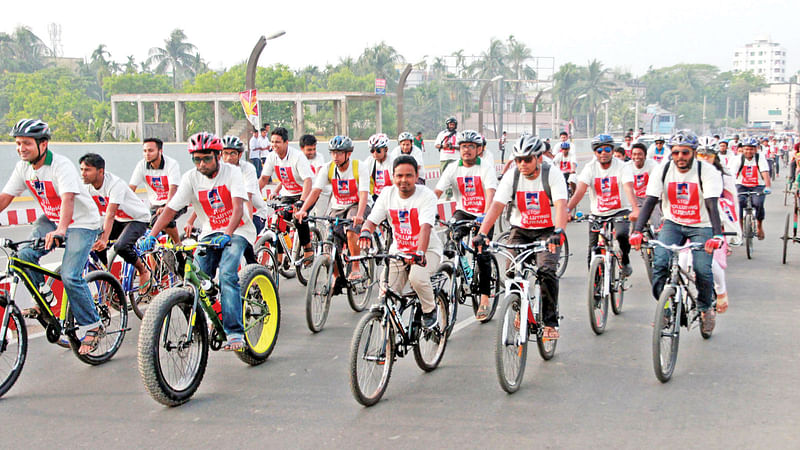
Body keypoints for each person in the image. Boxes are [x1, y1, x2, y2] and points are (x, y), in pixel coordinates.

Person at [139, 132, 255, 351]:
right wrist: (151, 235)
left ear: (218, 156)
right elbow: (171, 209)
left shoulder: (233, 173)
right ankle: (210, 319)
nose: (201, 164)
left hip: (238, 230)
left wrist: (228, 233)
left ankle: (235, 332)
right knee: (198, 279)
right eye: (196, 159)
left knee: (228, 273)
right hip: (211, 232)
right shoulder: (190, 178)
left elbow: (238, 208)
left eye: (206, 159)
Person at [0, 119, 103, 355]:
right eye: (17, 144)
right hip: (52, 219)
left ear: (43, 144)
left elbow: (67, 199)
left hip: (81, 223)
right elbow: (6, 197)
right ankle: (45, 298)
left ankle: (92, 325)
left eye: (26, 143)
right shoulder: (23, 168)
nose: (21, 148)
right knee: (23, 256)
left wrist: (61, 230)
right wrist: (56, 226)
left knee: (70, 274)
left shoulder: (61, 165)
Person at [630, 130, 725, 334]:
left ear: (693, 152)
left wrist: (717, 235)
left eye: (685, 152)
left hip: (702, 225)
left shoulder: (707, 172)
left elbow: (711, 205)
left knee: (702, 269)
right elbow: (650, 202)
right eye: (676, 153)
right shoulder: (662, 170)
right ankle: (665, 308)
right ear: (671, 153)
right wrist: (637, 231)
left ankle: (705, 308)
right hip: (673, 223)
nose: (680, 157)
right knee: (660, 265)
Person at [475, 134, 567, 340]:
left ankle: (551, 322)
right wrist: (482, 233)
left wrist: (558, 233)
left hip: (548, 230)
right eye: (518, 160)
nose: (522, 164)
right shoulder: (512, 176)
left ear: (538, 158)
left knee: (546, 271)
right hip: (521, 230)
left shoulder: (552, 174)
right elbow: (496, 206)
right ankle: (519, 310)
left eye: (527, 159)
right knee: (511, 271)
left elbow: (561, 205)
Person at [358, 156, 443, 327]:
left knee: (417, 278)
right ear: (392, 176)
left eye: (408, 175)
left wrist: (419, 253)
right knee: (385, 292)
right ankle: (388, 346)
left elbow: (425, 227)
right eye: (399, 176)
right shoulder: (387, 194)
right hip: (399, 251)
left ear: (417, 175)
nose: (403, 180)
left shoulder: (426, 196)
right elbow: (372, 220)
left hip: (426, 250)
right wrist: (366, 232)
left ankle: (429, 309)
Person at [434, 130, 498, 318]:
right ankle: (459, 267)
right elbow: (437, 190)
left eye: (471, 146)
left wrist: (485, 216)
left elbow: (491, 193)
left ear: (478, 149)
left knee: (482, 253)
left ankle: (485, 298)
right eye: (463, 147)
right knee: (452, 236)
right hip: (463, 211)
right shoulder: (453, 168)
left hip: (483, 214)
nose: (467, 150)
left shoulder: (485, 167)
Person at [183, 135, 267, 265]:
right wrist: (190, 221)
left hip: (254, 212)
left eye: (232, 153)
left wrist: (247, 223)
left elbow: (247, 199)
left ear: (240, 155)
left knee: (244, 242)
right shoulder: (218, 170)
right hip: (231, 214)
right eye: (225, 153)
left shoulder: (248, 169)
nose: (228, 158)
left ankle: (253, 269)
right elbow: (208, 200)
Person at [295, 136, 369, 282]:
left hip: (357, 204)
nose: (336, 156)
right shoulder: (328, 168)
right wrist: (303, 209)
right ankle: (336, 277)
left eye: (340, 153)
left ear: (348, 153)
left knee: (351, 230)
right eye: (333, 152)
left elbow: (364, 193)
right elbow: (315, 191)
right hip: (338, 207)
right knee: (330, 242)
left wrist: (360, 215)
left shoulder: (358, 167)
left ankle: (355, 267)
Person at [567, 134, 638, 275]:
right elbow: (580, 191)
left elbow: (628, 188)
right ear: (595, 152)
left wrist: (635, 209)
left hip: (620, 210)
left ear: (612, 151)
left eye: (607, 149)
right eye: (599, 150)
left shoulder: (622, 167)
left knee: (622, 235)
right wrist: (567, 210)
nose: (603, 153)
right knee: (593, 251)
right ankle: (595, 288)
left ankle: (625, 260)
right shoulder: (590, 168)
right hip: (598, 214)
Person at [79, 153, 150, 291]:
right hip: (120, 219)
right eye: (81, 170)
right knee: (96, 244)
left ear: (100, 171)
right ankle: (108, 281)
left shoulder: (114, 184)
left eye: (87, 170)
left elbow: (110, 214)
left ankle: (142, 270)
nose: (83, 174)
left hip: (137, 219)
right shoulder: (86, 187)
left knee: (121, 246)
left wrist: (105, 239)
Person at [694, 139, 742, 314]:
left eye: (708, 156)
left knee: (713, 264)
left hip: (715, 222)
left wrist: (733, 229)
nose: (705, 159)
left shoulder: (724, 176)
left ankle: (720, 294)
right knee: (677, 263)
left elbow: (732, 203)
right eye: (701, 155)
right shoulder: (686, 173)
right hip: (691, 220)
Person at [259, 127, 315, 263]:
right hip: (288, 194)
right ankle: (279, 257)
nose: (274, 145)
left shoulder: (297, 157)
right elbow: (264, 179)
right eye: (272, 142)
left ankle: (308, 248)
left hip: (306, 193)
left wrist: (302, 202)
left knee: (299, 216)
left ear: (286, 142)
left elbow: (308, 180)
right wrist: (251, 194)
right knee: (279, 221)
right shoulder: (272, 157)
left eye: (277, 142)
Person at [128, 137, 183, 243]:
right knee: (148, 236)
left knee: (166, 219)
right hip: (155, 205)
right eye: (144, 151)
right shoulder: (141, 165)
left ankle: (178, 244)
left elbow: (173, 189)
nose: (147, 154)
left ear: (160, 151)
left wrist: (167, 208)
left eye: (151, 151)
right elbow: (131, 189)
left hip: (175, 201)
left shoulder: (171, 164)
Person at [732, 137, 771, 240]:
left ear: (756, 149)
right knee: (738, 204)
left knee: (758, 203)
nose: (748, 151)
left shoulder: (760, 158)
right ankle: (739, 229)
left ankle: (759, 226)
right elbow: (731, 174)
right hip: (741, 185)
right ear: (743, 149)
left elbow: (765, 173)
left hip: (758, 185)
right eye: (746, 149)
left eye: (751, 149)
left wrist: (767, 186)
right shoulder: (738, 159)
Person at [629, 143, 660, 227]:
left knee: (656, 224)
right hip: (635, 200)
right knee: (633, 227)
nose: (637, 157)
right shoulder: (626, 167)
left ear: (645, 156)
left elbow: (658, 181)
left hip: (650, 198)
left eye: (640, 154)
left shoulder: (653, 165)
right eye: (634, 154)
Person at [299, 134, 330, 216]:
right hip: (307, 192)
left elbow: (318, 175)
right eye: (309, 150)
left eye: (314, 149)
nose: (312, 152)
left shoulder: (319, 157)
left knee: (318, 218)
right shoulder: (298, 159)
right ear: (302, 149)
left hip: (322, 193)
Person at [366, 133, 394, 201]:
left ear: (386, 149)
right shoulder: (369, 161)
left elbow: (395, 184)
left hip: (391, 197)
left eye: (378, 150)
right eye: (372, 151)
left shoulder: (393, 162)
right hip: (375, 197)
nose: (375, 154)